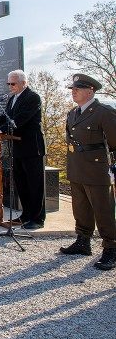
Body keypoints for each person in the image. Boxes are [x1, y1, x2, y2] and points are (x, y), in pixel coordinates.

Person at [59, 74, 116, 271]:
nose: (73, 92)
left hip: (96, 169)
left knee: (103, 210)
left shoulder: (103, 112)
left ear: (90, 91)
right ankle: (83, 241)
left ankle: (111, 248)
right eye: (73, 88)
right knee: (81, 208)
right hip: (76, 167)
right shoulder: (73, 113)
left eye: (78, 88)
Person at [0, 69, 46, 230]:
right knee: (21, 183)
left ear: (24, 83)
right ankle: (26, 215)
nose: (10, 86)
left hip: (31, 147)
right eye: (8, 83)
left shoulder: (32, 97)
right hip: (17, 148)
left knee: (34, 184)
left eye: (13, 83)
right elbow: (5, 117)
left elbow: (21, 119)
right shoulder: (12, 99)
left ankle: (37, 219)